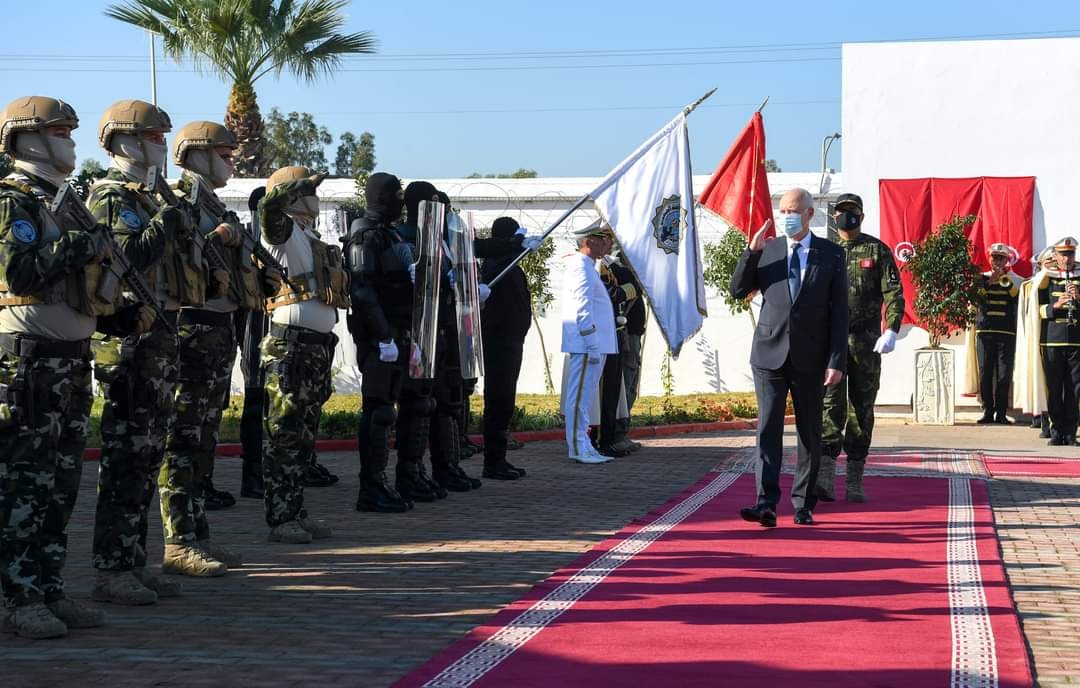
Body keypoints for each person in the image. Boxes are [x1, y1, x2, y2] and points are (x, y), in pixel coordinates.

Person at [0, 96, 152, 638]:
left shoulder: (65, 201)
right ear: (28, 138)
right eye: (60, 131)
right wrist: (79, 245)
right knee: (25, 483)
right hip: (29, 365)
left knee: (63, 483)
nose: (70, 140)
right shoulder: (12, 201)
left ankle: (50, 587)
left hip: (69, 362)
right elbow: (18, 274)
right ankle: (20, 598)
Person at [89, 99, 191, 605]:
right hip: (128, 341)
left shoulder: (149, 197)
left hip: (157, 335)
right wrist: (168, 221)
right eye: (153, 137)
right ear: (124, 140)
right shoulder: (112, 195)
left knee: (148, 456)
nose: (160, 146)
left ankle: (134, 558)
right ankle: (111, 567)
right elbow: (127, 256)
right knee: (126, 455)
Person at [157, 121, 263, 577]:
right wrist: (220, 238)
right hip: (192, 327)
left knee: (204, 438)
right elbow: (178, 256)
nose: (232, 158)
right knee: (183, 438)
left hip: (219, 326)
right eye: (224, 151)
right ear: (197, 154)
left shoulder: (211, 202)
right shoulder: (176, 200)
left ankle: (198, 533)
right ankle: (178, 541)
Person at [730, 188, 847, 527]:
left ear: (810, 214)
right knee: (768, 429)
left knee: (809, 433)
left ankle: (803, 504)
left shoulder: (831, 254)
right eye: (783, 211)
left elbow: (840, 312)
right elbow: (738, 290)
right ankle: (765, 503)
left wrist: (836, 360)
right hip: (769, 354)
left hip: (812, 357)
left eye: (793, 210)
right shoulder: (770, 251)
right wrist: (751, 253)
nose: (787, 217)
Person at [258, 166, 346, 542]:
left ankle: (295, 509)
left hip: (315, 347)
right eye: (308, 191)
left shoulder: (310, 236)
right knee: (285, 435)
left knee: (304, 437)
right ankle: (281, 518)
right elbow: (267, 209)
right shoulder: (282, 232)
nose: (316, 196)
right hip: (290, 344)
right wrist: (295, 187)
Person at [817, 193, 903, 503]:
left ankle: (854, 478)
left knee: (861, 409)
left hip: (866, 342)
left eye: (852, 212)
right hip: (831, 343)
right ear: (834, 216)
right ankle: (825, 475)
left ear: (861, 216)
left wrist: (891, 329)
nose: (846, 217)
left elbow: (894, 292)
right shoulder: (824, 251)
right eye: (841, 212)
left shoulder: (876, 250)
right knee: (829, 407)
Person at [346, 172, 420, 512]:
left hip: (398, 330)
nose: (400, 202)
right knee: (378, 412)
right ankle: (371, 488)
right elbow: (362, 289)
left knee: (390, 409)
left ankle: (386, 482)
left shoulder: (389, 234)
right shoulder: (364, 234)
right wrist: (384, 336)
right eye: (395, 195)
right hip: (380, 336)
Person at [480, 216, 534, 479]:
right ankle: (493, 460)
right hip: (499, 342)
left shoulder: (509, 263)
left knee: (505, 401)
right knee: (498, 400)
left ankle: (499, 457)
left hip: (511, 341)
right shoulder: (498, 264)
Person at [561, 220, 617, 464]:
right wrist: (591, 341)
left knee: (585, 398)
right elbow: (582, 307)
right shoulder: (580, 266)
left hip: (593, 343)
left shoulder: (588, 266)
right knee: (579, 398)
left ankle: (584, 444)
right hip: (586, 344)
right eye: (602, 238)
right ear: (588, 241)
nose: (608, 243)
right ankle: (578, 447)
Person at [595, 251, 640, 457]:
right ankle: (614, 435)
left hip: (630, 332)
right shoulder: (610, 267)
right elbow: (615, 295)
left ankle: (619, 433)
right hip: (622, 333)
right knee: (620, 386)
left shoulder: (619, 268)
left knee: (628, 386)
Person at [1038, 237, 1080, 446]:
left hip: (1076, 341)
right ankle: (1056, 431)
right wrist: (1057, 304)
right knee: (1054, 388)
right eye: (1063, 254)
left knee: (1074, 388)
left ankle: (1071, 432)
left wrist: (1077, 298)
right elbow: (1036, 308)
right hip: (1052, 340)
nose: (1067, 258)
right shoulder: (1046, 278)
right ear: (1056, 256)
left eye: (1070, 254)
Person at [973, 243, 1021, 425]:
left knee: (1003, 374)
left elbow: (1017, 298)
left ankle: (1001, 413)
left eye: (1001, 258)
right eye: (995, 257)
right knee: (985, 372)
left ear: (1007, 260)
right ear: (990, 259)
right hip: (985, 332)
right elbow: (975, 298)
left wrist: (1004, 280)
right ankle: (987, 410)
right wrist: (990, 281)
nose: (997, 261)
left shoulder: (1014, 280)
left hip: (1006, 333)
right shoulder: (981, 278)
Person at [1014, 248, 1055, 437]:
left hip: (1060, 337)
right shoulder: (1031, 284)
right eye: (1049, 261)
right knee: (1042, 382)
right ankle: (1045, 422)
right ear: (1040, 264)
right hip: (1038, 338)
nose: (1053, 264)